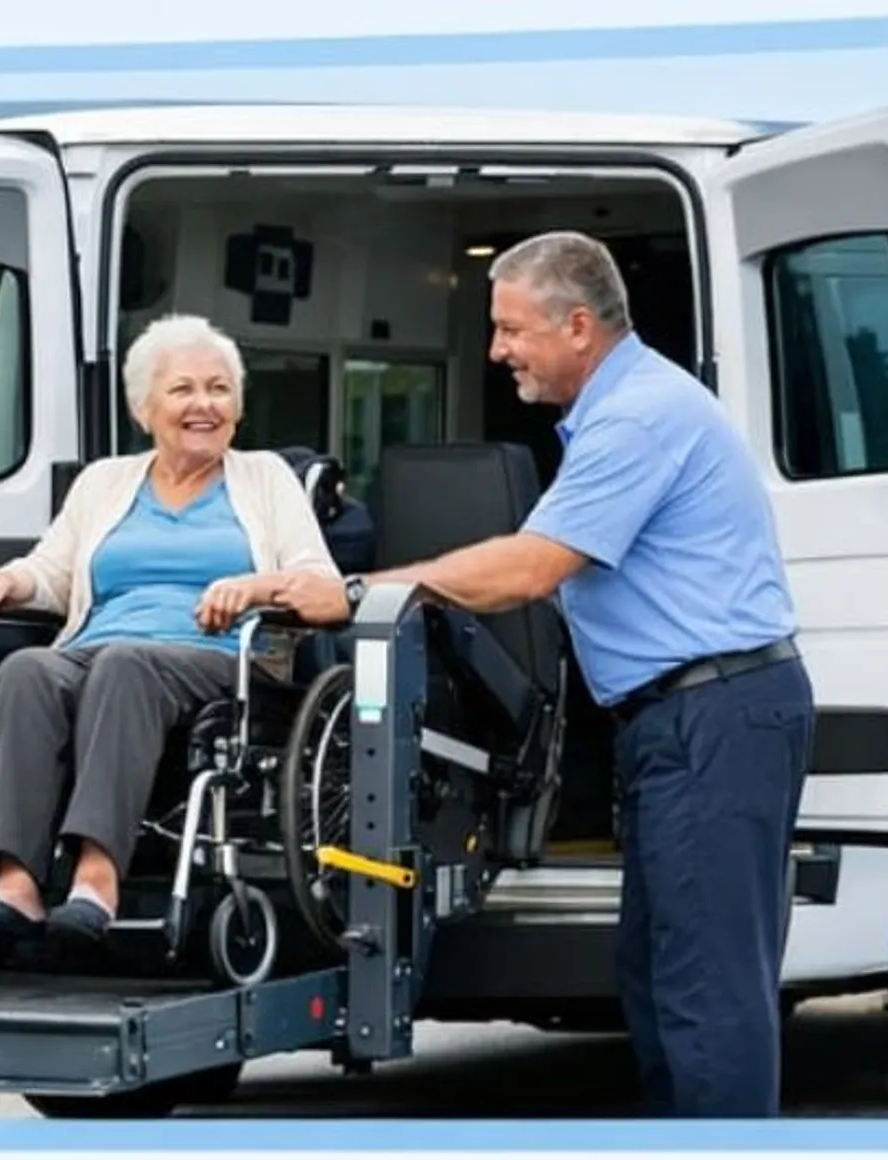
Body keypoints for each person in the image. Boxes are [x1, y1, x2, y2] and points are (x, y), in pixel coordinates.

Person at [344, 231, 815, 1117]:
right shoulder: (624, 409)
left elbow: (532, 569)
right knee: (657, 977)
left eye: (510, 329)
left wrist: (362, 592)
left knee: (705, 992)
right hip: (685, 719)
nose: (497, 352)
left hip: (714, 717)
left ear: (577, 327)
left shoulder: (637, 418)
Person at [0, 313, 349, 966]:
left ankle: (97, 882)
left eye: (219, 389)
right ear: (143, 407)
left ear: (238, 407)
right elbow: (52, 572)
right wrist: (8, 580)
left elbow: (327, 590)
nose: (204, 404)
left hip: (223, 659)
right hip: (97, 648)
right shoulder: (105, 482)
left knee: (127, 665)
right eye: (183, 389)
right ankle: (16, 889)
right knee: (28, 670)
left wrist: (256, 586)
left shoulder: (266, 478)